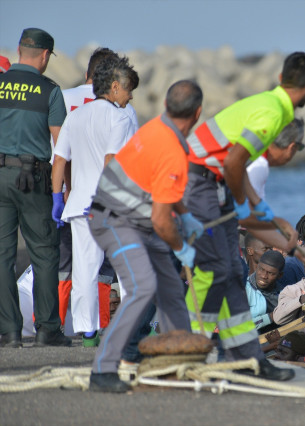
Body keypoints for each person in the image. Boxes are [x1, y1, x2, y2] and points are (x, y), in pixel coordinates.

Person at [183, 52, 305, 381]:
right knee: (215, 271)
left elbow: (238, 167)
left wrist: (268, 216)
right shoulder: (273, 114)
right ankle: (187, 349)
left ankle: (246, 356)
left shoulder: (272, 103)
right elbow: (232, 164)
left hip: (205, 179)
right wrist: (244, 211)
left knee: (231, 272)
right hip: (198, 179)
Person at [86, 80, 204, 393]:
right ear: (198, 113)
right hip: (112, 220)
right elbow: (162, 221)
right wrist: (182, 247)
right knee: (143, 286)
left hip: (138, 221)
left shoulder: (158, 128)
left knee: (170, 287)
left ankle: (182, 361)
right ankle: (103, 368)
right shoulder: (172, 148)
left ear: (167, 105)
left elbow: (166, 188)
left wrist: (186, 215)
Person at [51, 53, 138, 347]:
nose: (130, 96)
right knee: (126, 269)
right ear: (114, 86)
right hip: (110, 205)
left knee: (84, 270)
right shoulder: (120, 117)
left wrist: (56, 197)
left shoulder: (75, 116)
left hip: (77, 205)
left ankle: (87, 332)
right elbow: (112, 160)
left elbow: (60, 159)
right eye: (128, 89)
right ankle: (129, 329)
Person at [0, 28, 69, 348]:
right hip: (33, 180)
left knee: (2, 256)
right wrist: (64, 190)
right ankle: (47, 329)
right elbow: (61, 146)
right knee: (44, 254)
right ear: (44, 56)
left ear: (19, 50)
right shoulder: (49, 91)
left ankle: (10, 331)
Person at [247, 118, 305, 200]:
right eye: (299, 147)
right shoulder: (259, 164)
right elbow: (249, 207)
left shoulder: (252, 154)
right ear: (292, 147)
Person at [246, 250, 284, 331]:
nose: (263, 276)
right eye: (261, 269)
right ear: (257, 266)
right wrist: (271, 317)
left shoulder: (284, 294)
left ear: (280, 275)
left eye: (270, 273)